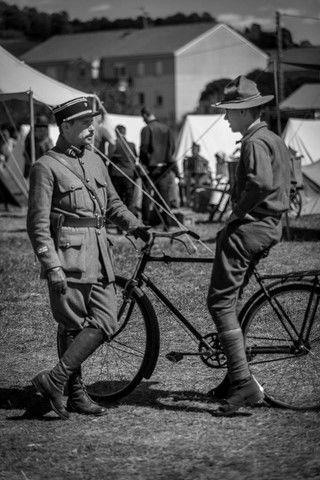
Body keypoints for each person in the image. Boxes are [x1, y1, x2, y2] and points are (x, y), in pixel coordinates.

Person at [27, 97, 150, 420]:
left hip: (100, 255)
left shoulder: (95, 160)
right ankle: (76, 394)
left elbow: (112, 205)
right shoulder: (45, 166)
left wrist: (135, 225)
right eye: (84, 123)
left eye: (92, 122)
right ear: (65, 126)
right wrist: (51, 264)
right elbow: (37, 225)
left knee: (107, 320)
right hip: (68, 258)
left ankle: (54, 380)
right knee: (71, 326)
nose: (92, 128)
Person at [206, 76, 291, 415]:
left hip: (251, 228)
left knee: (220, 303)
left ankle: (242, 384)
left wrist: (235, 213)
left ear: (245, 112)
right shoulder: (272, 137)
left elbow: (261, 183)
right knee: (233, 301)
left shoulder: (254, 141)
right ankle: (233, 376)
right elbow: (288, 180)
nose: (226, 118)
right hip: (270, 225)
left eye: (229, 111)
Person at [139, 107, 179, 229]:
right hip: (165, 169)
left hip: (150, 168)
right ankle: (167, 224)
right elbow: (172, 148)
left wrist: (144, 163)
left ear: (145, 115)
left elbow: (144, 149)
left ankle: (146, 223)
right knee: (164, 197)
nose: (143, 120)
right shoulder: (167, 128)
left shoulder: (146, 129)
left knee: (147, 196)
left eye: (143, 117)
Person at [108, 125, 138, 215]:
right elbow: (135, 158)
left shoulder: (113, 144)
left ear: (116, 133)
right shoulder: (132, 145)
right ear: (125, 132)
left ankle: (120, 225)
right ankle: (130, 221)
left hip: (117, 174)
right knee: (129, 199)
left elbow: (109, 158)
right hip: (129, 174)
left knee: (118, 199)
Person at [183, 142, 211, 207]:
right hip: (192, 177)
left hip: (201, 177)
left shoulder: (202, 159)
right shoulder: (190, 159)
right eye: (192, 149)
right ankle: (189, 202)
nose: (193, 151)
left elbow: (207, 169)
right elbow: (188, 171)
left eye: (195, 149)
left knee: (198, 183)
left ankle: (198, 203)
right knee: (188, 182)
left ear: (198, 150)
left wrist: (203, 170)